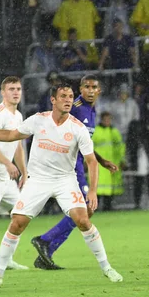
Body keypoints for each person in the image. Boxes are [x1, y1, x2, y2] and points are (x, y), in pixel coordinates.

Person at [0, 83, 123, 289]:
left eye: (70, 96)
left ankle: (107, 267)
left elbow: (91, 161)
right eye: (63, 96)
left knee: (83, 220)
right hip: (38, 180)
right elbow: (10, 136)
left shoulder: (77, 127)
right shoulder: (38, 120)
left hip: (65, 180)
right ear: (53, 100)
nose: (68, 100)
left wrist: (92, 190)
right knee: (17, 223)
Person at [31, 75, 119, 270]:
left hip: (77, 164)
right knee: (85, 209)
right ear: (80, 88)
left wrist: (101, 161)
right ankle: (45, 241)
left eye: (93, 87)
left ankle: (47, 252)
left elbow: (83, 141)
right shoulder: (77, 108)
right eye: (86, 86)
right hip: (70, 167)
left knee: (85, 211)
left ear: (99, 91)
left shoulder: (91, 109)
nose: (89, 90)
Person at [0, 77, 29, 271]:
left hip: (7, 178)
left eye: (18, 89)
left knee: (21, 215)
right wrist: (8, 164)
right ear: (3, 92)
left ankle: (7, 259)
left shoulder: (18, 116)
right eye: (11, 89)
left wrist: (24, 173)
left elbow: (18, 146)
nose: (16, 92)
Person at [93, 112, 125, 211]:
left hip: (111, 162)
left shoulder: (114, 131)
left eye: (109, 119)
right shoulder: (96, 131)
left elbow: (120, 146)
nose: (107, 121)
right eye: (106, 119)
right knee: (98, 186)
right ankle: (96, 207)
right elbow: (89, 147)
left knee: (109, 187)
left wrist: (121, 159)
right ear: (102, 120)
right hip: (99, 162)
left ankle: (108, 207)